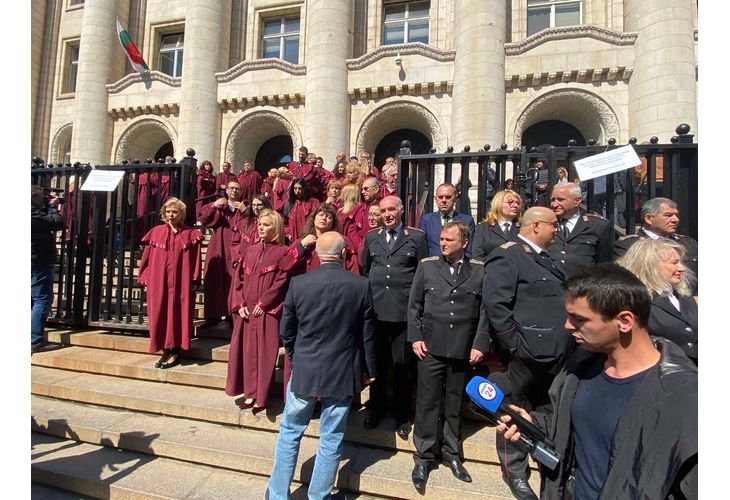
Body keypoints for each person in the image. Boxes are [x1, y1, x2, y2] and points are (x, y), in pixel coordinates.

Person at [497, 263, 697, 499]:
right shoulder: (579, 369)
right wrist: (533, 425)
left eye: (579, 319)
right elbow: (577, 430)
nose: (567, 325)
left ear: (624, 321)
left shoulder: (685, 397)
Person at [266, 232, 377, 499]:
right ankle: (319, 495)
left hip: (306, 366)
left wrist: (297, 355)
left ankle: (278, 493)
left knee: (290, 431)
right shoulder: (360, 285)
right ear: (343, 254)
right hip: (343, 368)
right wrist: (369, 369)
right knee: (331, 435)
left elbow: (287, 330)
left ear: (315, 253)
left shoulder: (299, 284)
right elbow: (368, 334)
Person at [482, 206, 572, 499]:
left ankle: (545, 459)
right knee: (513, 414)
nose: (557, 229)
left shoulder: (548, 257)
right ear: (535, 226)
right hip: (523, 356)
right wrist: (514, 346)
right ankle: (515, 472)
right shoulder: (508, 254)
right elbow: (497, 305)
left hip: (555, 354)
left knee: (546, 411)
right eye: (553, 224)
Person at [408, 221, 490, 490]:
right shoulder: (428, 266)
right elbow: (415, 306)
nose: (442, 243)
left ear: (464, 243)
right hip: (430, 346)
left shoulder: (478, 270)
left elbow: (484, 312)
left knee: (454, 403)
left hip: (461, 347)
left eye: (448, 240)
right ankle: (423, 456)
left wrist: (480, 343)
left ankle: (451, 453)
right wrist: (416, 337)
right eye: (441, 239)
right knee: (427, 403)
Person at [361, 195, 428, 435]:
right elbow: (366, 269)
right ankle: (375, 410)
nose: (387, 214)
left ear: (401, 210)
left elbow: (422, 274)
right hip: (377, 313)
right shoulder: (371, 237)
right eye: (383, 211)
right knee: (376, 365)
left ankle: (402, 416)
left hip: (403, 314)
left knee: (402, 368)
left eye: (391, 210)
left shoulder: (416, 237)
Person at [226, 209, 294, 414]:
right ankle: (249, 393)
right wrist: (240, 305)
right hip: (247, 311)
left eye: (266, 225)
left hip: (267, 312)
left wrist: (265, 302)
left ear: (276, 228)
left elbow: (282, 281)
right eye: (260, 224)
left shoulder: (283, 252)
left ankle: (261, 397)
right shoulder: (250, 250)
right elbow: (238, 280)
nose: (261, 228)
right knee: (245, 354)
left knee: (265, 355)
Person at [137, 198, 204, 369]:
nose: (171, 215)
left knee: (178, 313)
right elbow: (146, 259)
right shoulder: (156, 232)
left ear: (181, 214)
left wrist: (195, 279)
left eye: (174, 212)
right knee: (160, 312)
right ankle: (165, 349)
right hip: (158, 282)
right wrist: (145, 278)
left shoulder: (191, 234)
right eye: (168, 212)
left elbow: (196, 260)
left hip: (181, 282)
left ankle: (175, 350)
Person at [617, 238, 698, 364]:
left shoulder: (684, 296)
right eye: (674, 263)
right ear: (651, 265)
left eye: (680, 262)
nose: (682, 268)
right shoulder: (635, 301)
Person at [614, 197, 698, 293]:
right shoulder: (629, 245)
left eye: (676, 215)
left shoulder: (688, 243)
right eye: (668, 215)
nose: (675, 219)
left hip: (687, 302)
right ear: (649, 219)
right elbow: (624, 281)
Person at [199, 181, 245, 326]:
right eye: (231, 188)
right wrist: (214, 206)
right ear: (226, 191)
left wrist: (245, 210)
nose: (234, 191)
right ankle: (213, 315)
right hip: (218, 246)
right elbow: (204, 220)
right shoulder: (219, 205)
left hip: (236, 248)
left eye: (237, 189)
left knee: (234, 281)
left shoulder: (243, 208)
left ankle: (233, 315)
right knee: (214, 279)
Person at [548, 182, 614, 278]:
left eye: (561, 200)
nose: (554, 204)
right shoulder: (545, 222)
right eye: (553, 200)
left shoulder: (598, 225)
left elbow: (604, 265)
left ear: (577, 201)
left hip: (582, 286)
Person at [31, 186, 65, 353]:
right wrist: (53, 207)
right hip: (37, 262)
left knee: (32, 300)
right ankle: (34, 340)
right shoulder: (33, 214)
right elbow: (57, 223)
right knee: (42, 300)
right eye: (39, 197)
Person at [289, 204, 360, 276]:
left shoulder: (341, 241)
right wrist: (302, 245)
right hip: (308, 284)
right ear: (314, 218)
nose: (324, 218)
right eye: (321, 215)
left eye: (329, 217)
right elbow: (286, 264)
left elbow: (353, 268)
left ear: (333, 223)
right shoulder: (302, 241)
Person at [419, 183, 475, 258]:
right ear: (436, 199)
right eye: (440, 197)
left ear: (455, 198)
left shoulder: (467, 221)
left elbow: (469, 249)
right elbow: (422, 250)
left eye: (448, 197)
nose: (444, 200)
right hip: (433, 266)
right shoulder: (426, 220)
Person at [472, 189, 522, 262]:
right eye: (510, 202)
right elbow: (477, 256)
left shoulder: (522, 228)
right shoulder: (483, 228)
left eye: (518, 203)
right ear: (498, 204)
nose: (515, 205)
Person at [283, 178, 320, 242]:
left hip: (310, 237)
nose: (297, 191)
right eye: (295, 188)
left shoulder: (313, 202)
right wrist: (288, 233)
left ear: (304, 189)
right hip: (294, 239)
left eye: (300, 188)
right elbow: (285, 223)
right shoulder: (289, 204)